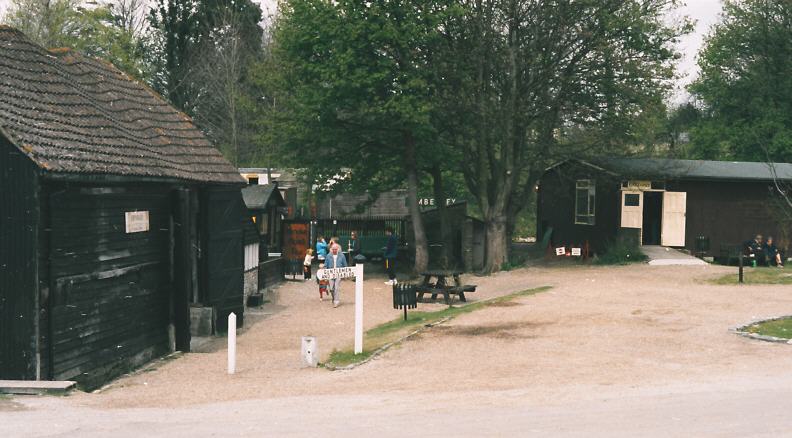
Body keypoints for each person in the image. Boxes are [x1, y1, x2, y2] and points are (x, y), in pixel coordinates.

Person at [324, 243, 348, 308]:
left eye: (335, 249)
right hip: (330, 274)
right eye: (333, 249)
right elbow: (325, 265)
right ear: (331, 249)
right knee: (331, 288)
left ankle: (336, 301)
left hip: (338, 274)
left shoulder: (342, 255)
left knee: (336, 288)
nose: (334, 250)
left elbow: (345, 265)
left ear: (338, 249)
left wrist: (345, 275)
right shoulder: (328, 255)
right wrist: (325, 274)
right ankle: (334, 298)